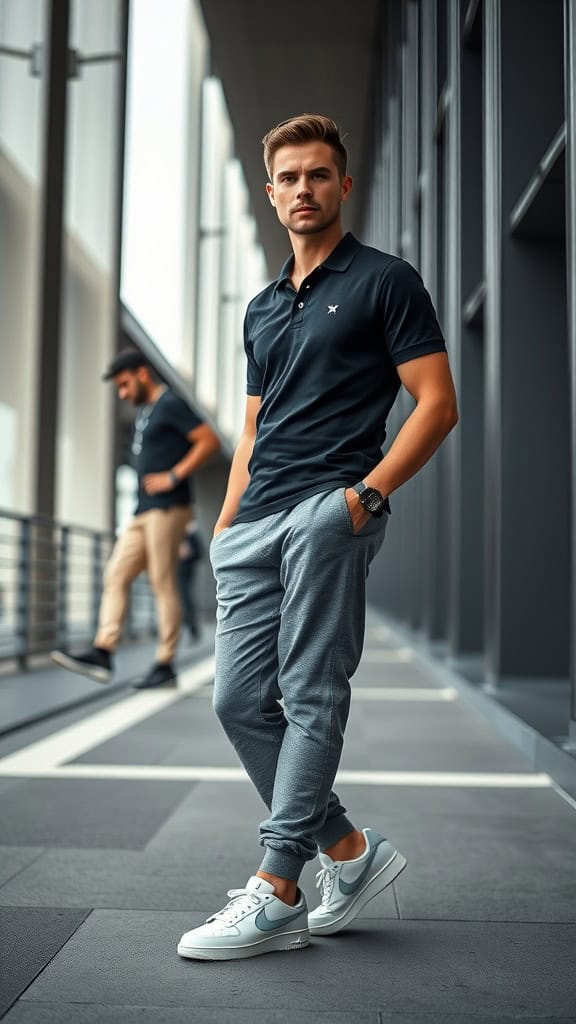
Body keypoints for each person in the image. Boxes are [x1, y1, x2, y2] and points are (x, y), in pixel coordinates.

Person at [177, 114, 458, 961]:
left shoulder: (385, 281)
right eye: (289, 178)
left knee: (309, 691)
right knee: (238, 700)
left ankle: (276, 889)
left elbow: (436, 402)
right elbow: (254, 427)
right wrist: (227, 525)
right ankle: (348, 852)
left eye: (318, 175)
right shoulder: (262, 309)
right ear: (271, 195)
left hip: (331, 511)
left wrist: (365, 498)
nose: (304, 189)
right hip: (255, 522)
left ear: (342, 184)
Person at [51, 348, 220, 689]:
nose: (123, 393)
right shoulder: (147, 412)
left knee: (162, 582)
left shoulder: (170, 403)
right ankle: (103, 651)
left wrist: (173, 476)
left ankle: (165, 663)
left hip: (168, 507)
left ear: (142, 374)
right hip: (142, 511)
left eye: (125, 385)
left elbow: (208, 441)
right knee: (116, 574)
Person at [177, 518, 204, 642]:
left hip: (185, 572)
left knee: (185, 600)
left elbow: (200, 553)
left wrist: (188, 553)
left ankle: (192, 628)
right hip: (173, 572)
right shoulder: (174, 534)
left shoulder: (192, 535)